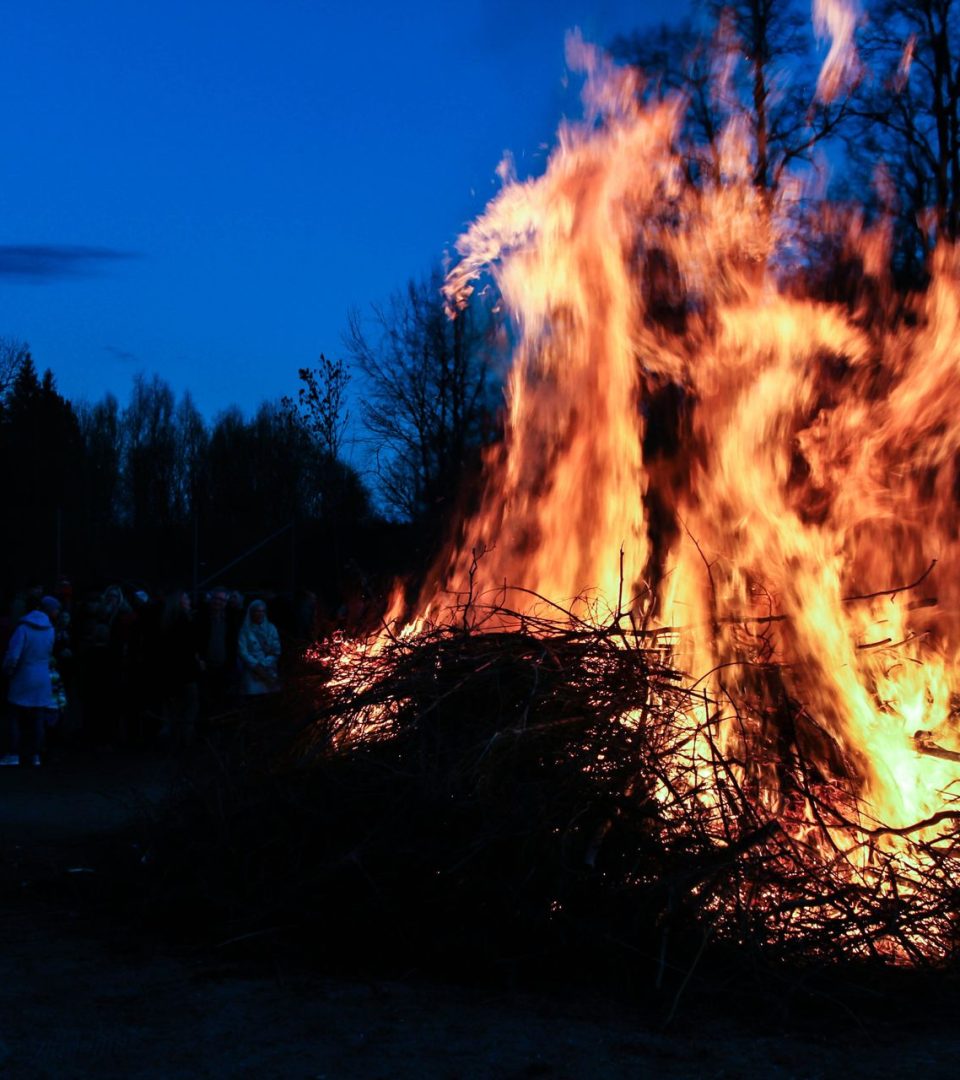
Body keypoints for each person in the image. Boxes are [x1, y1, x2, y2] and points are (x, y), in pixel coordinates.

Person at [1, 595, 60, 766]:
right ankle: (35, 755)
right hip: (42, 676)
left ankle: (13, 753)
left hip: (23, 675)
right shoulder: (50, 629)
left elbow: (13, 655)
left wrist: (7, 671)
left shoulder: (23, 628)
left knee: (14, 716)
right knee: (38, 717)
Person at [237, 600, 281, 696]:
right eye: (257, 611)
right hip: (251, 672)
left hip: (270, 670)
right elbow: (243, 652)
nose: (260, 614)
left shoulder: (271, 628)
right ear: (251, 612)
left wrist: (264, 664)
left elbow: (276, 650)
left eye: (263, 611)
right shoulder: (245, 631)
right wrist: (256, 665)